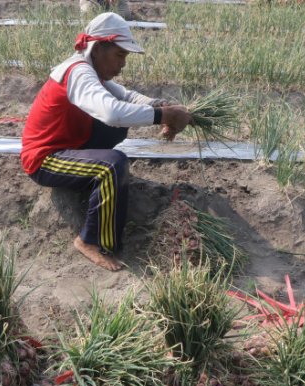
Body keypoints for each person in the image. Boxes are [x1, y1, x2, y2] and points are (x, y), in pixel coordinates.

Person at [21, 12, 192, 272]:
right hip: (44, 160)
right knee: (112, 165)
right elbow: (112, 112)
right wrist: (162, 116)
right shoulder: (79, 72)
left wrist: (160, 106)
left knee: (118, 131)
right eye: (120, 55)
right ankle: (90, 240)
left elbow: (126, 96)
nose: (122, 64)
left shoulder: (90, 69)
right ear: (99, 48)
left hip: (67, 146)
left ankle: (91, 179)